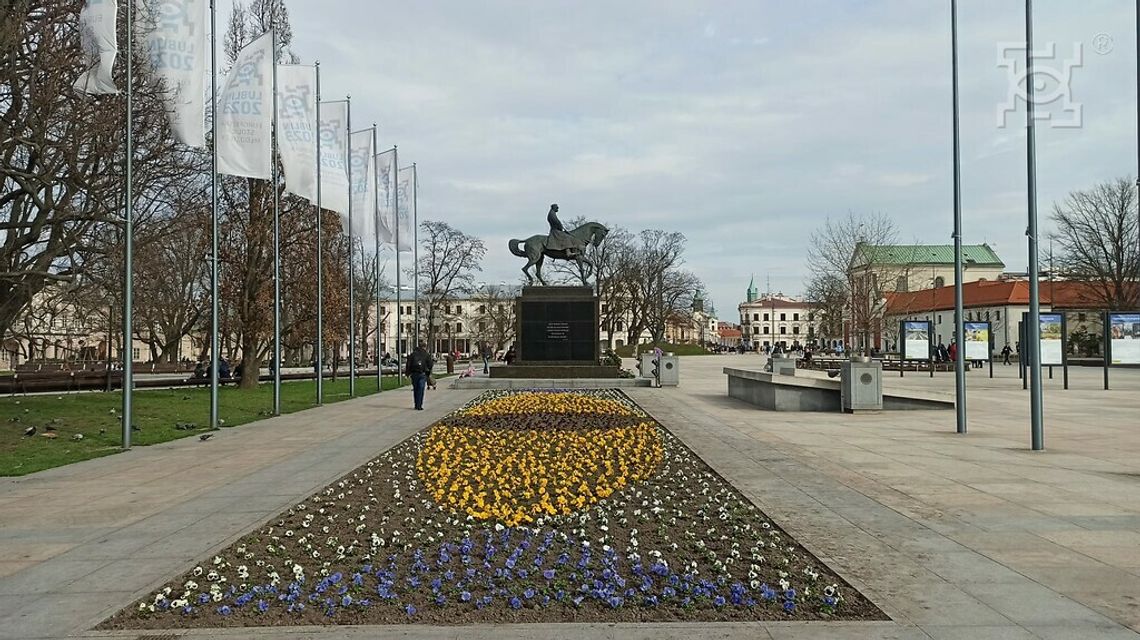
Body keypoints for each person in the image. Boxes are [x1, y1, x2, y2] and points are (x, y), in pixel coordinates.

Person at [405, 342, 433, 411]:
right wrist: (428, 373)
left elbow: (408, 364)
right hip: (422, 374)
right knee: (421, 389)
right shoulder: (426, 354)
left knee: (416, 389)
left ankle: (416, 404)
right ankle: (419, 405)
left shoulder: (413, 354)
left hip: (414, 374)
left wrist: (407, 373)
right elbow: (430, 364)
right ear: (424, 347)